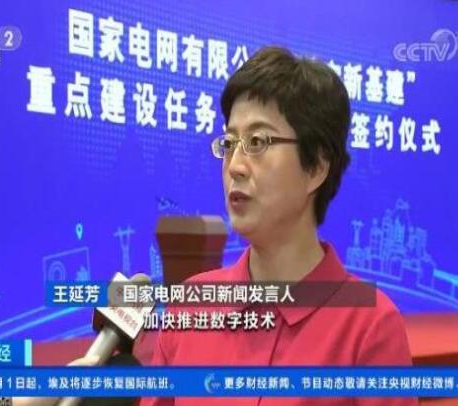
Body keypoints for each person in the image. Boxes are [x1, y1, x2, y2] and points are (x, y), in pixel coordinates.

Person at [138, 46, 418, 406]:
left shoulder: (369, 328)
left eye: (257, 142)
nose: (235, 166)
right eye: (229, 143)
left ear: (316, 167)